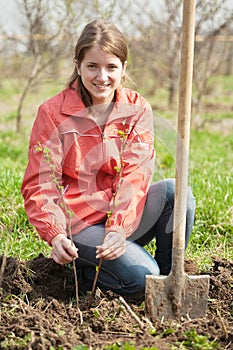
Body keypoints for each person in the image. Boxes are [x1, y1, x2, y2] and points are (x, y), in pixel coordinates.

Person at [21, 20, 195, 298]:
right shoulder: (53, 113)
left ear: (123, 69)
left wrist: (118, 229)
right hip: (82, 226)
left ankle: (166, 283)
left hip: (125, 219)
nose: (102, 76)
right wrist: (54, 234)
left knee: (177, 192)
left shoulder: (137, 108)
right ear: (78, 66)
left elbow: (135, 175)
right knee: (141, 279)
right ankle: (89, 270)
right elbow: (40, 184)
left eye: (111, 67)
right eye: (92, 66)